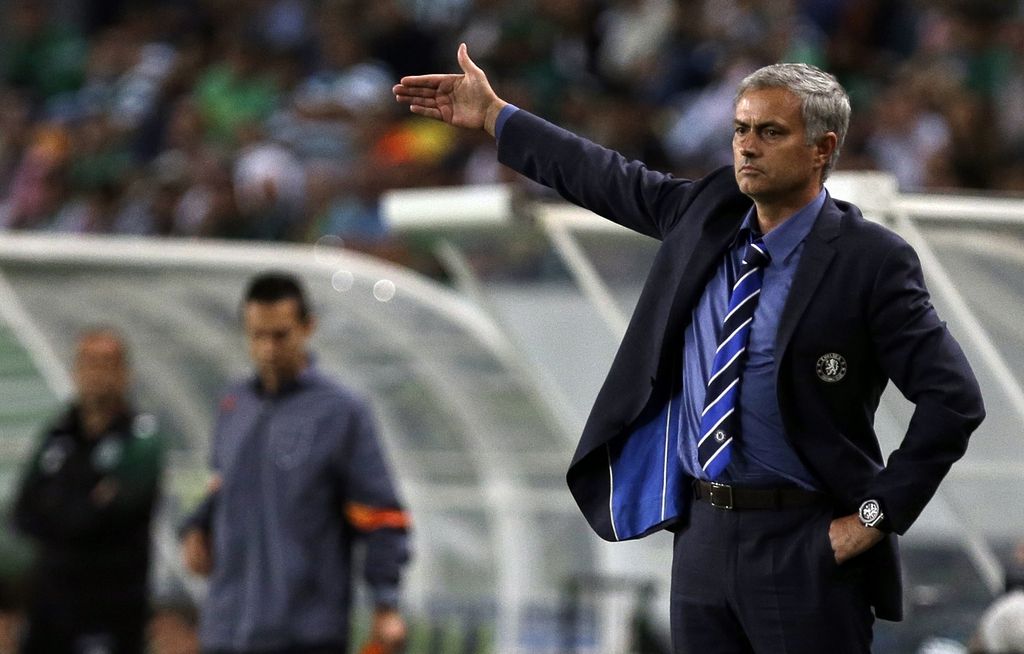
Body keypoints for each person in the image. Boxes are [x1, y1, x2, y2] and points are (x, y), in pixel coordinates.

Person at [394, 45, 986, 652]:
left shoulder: (870, 260)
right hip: (702, 536)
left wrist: (870, 522)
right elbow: (605, 176)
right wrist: (497, 116)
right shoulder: (707, 214)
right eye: (740, 130)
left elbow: (954, 401)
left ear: (823, 150)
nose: (747, 146)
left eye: (770, 132)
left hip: (805, 540)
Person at [179, 272, 410, 654]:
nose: (268, 349)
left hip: (304, 631)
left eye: (280, 336)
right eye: (257, 336)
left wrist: (385, 602)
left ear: (308, 328)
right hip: (227, 628)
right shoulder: (233, 404)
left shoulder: (340, 411)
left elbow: (382, 514)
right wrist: (196, 526)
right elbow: (223, 485)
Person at [11, 327, 164, 654]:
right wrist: (83, 502)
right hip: (50, 606)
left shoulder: (140, 438)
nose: (96, 373)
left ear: (125, 373)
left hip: (110, 609)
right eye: (88, 363)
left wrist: (62, 507)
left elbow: (106, 515)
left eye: (106, 363)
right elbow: (23, 511)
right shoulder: (57, 433)